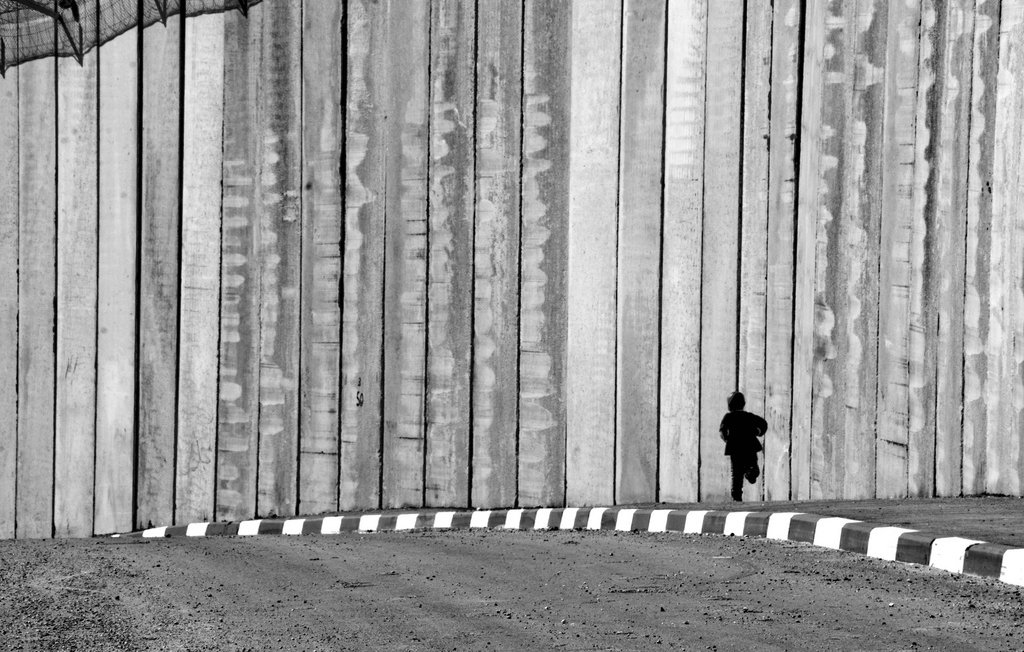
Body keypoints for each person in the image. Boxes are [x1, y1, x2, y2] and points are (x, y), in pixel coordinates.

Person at [719, 391, 767, 502]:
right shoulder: (749, 416)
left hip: (735, 449)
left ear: (729, 405)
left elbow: (722, 433)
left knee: (736, 474)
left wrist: (728, 440)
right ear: (743, 403)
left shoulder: (728, 417)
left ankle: (737, 497)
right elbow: (763, 424)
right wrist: (758, 431)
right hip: (750, 447)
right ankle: (750, 472)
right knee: (753, 466)